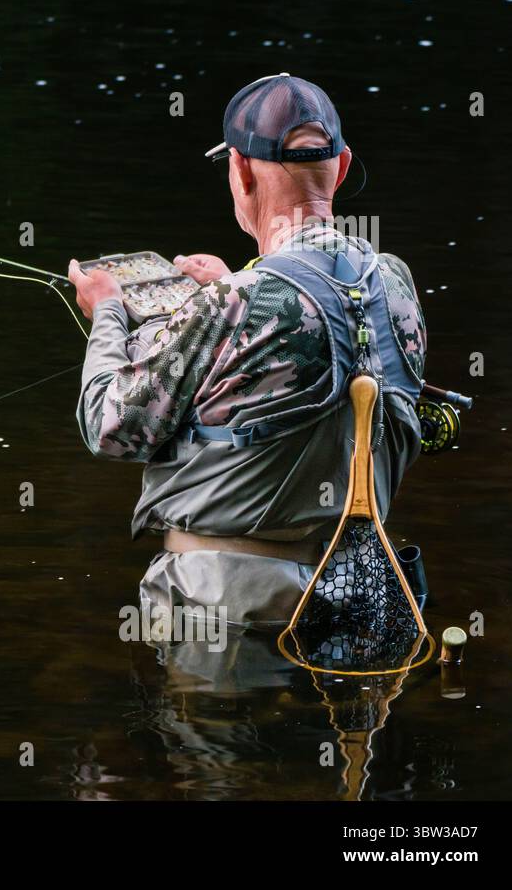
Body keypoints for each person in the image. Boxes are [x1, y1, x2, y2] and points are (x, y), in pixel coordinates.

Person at [66, 74, 427, 630]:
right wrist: (230, 284)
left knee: (206, 721)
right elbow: (322, 331)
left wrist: (109, 312)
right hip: (360, 595)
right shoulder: (396, 281)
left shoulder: (230, 303)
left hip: (229, 615)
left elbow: (109, 428)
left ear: (239, 169)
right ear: (343, 165)